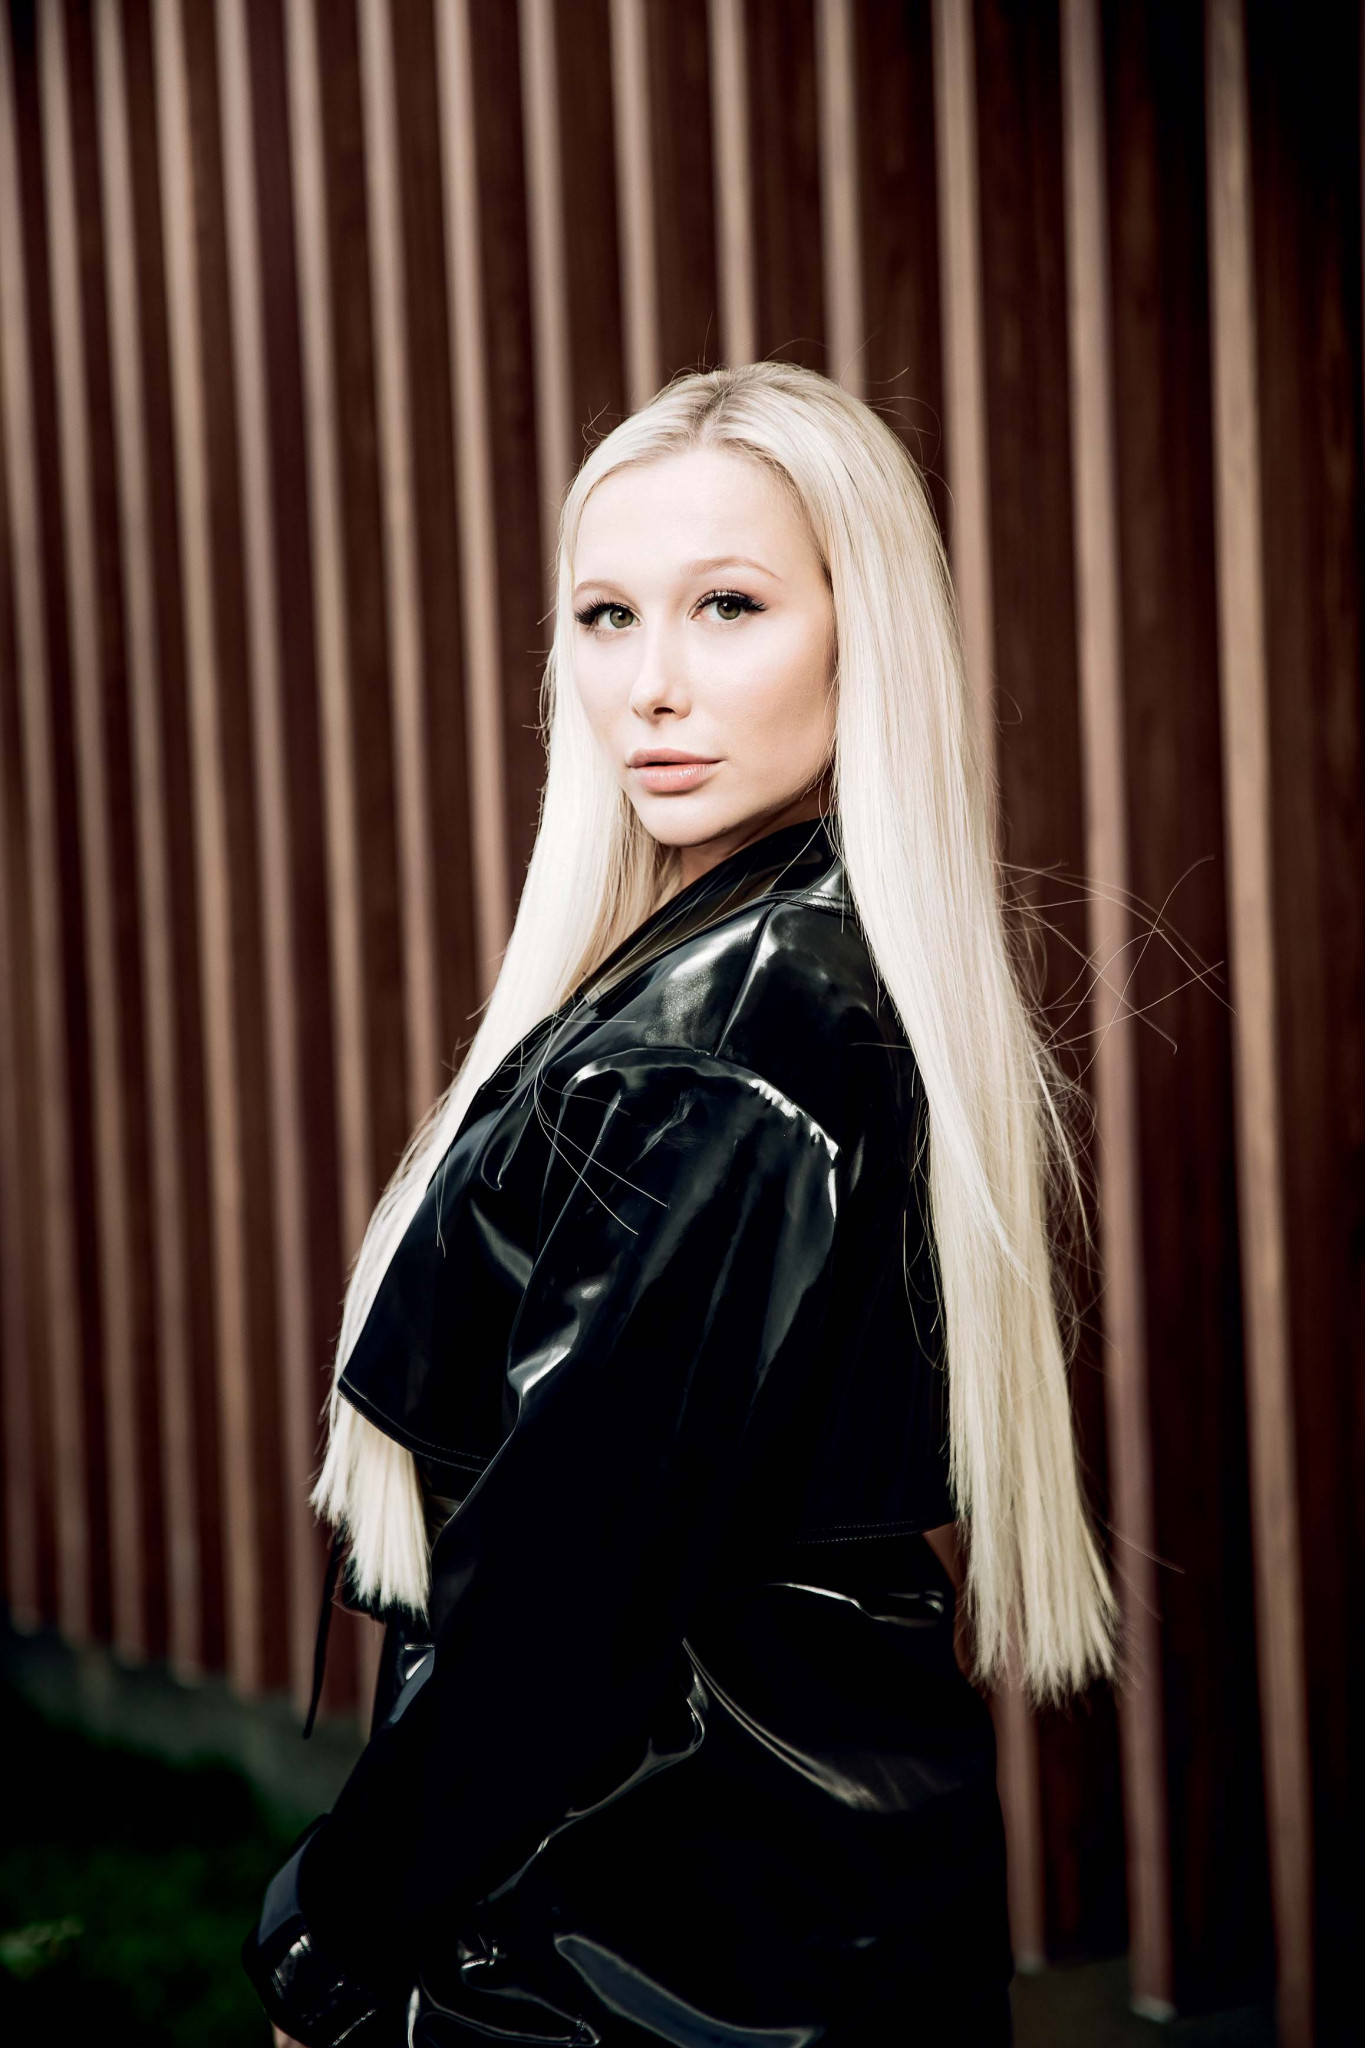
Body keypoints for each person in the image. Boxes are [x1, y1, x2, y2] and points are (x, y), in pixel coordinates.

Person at [242, 361, 1118, 2047]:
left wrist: (326, 1939)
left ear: (861, 635)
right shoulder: (777, 970)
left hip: (633, 1954)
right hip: (772, 1916)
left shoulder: (730, 1032)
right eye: (605, 615)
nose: (649, 685)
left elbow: (557, 1602)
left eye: (727, 606)